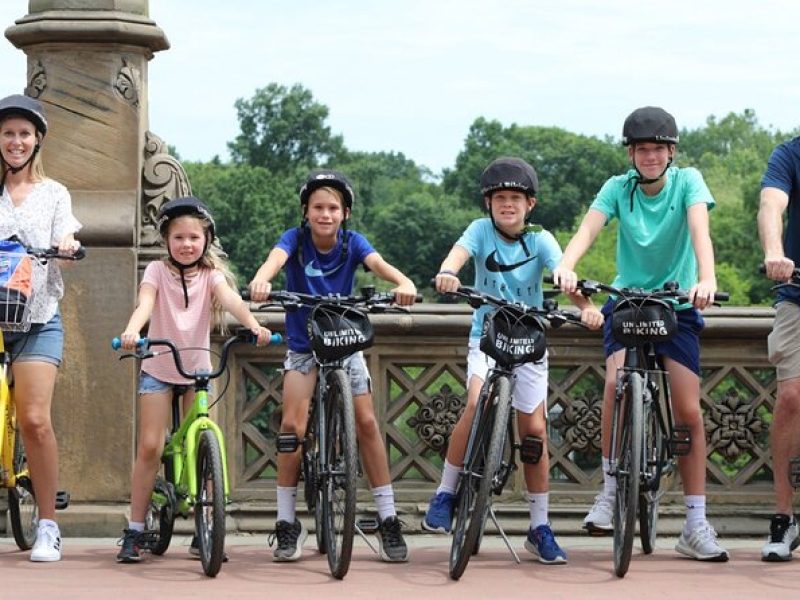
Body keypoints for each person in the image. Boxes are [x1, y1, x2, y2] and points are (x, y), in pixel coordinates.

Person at [552, 106, 728, 561]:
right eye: (641, 149)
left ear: (671, 152)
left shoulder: (689, 181)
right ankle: (610, 492)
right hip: (627, 304)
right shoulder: (618, 188)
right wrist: (566, 266)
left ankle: (694, 523)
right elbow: (586, 230)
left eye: (657, 149)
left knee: (688, 411)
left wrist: (705, 278)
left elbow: (699, 231)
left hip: (676, 306)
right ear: (631, 153)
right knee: (615, 385)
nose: (649, 156)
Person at [421, 157, 603, 565]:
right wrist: (448, 272)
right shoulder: (480, 230)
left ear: (530, 205)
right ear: (489, 203)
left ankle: (539, 527)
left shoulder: (540, 239)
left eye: (515, 199)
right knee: (473, 402)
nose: (507, 205)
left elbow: (562, 272)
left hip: (529, 344)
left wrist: (586, 305)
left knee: (535, 432)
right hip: (487, 338)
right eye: (500, 198)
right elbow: (457, 256)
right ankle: (446, 493)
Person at [249, 169, 417, 563]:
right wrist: (260, 280)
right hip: (304, 345)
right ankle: (287, 522)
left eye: (333, 208)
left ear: (345, 213)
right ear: (305, 212)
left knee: (368, 423)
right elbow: (274, 260)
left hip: (344, 343)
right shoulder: (295, 240)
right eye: (318, 208)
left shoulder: (352, 244)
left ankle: (388, 517)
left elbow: (379, 265)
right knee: (292, 426)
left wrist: (403, 282)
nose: (325, 215)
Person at [115, 196, 272, 563]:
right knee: (151, 447)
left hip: (198, 369)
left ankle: (208, 527)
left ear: (206, 241)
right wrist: (132, 331)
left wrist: (253, 325)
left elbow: (231, 300)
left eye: (194, 238)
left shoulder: (211, 276)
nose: (187, 244)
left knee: (204, 439)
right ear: (166, 241)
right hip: (158, 364)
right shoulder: (155, 271)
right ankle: (135, 530)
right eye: (179, 238)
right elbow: (145, 304)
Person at [0, 94, 81, 562]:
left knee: (34, 419)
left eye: (24, 134)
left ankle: (48, 524)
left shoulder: (54, 193)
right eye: (8, 133)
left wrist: (67, 245)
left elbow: (66, 235)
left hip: (36, 318)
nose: (16, 141)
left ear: (37, 141)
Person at [757, 135, 800, 561]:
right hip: (798, 294)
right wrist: (775, 251)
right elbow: (772, 204)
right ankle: (784, 517)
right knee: (791, 397)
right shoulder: (791, 153)